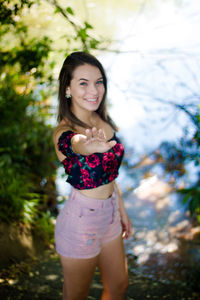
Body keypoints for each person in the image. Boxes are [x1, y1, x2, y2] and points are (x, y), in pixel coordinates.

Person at [53, 51, 132, 300]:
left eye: (99, 82)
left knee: (119, 286)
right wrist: (89, 146)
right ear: (67, 88)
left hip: (109, 216)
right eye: (83, 83)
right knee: (76, 295)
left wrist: (121, 210)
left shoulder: (101, 118)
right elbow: (75, 144)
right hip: (81, 223)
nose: (94, 90)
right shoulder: (63, 132)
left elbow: (110, 175)